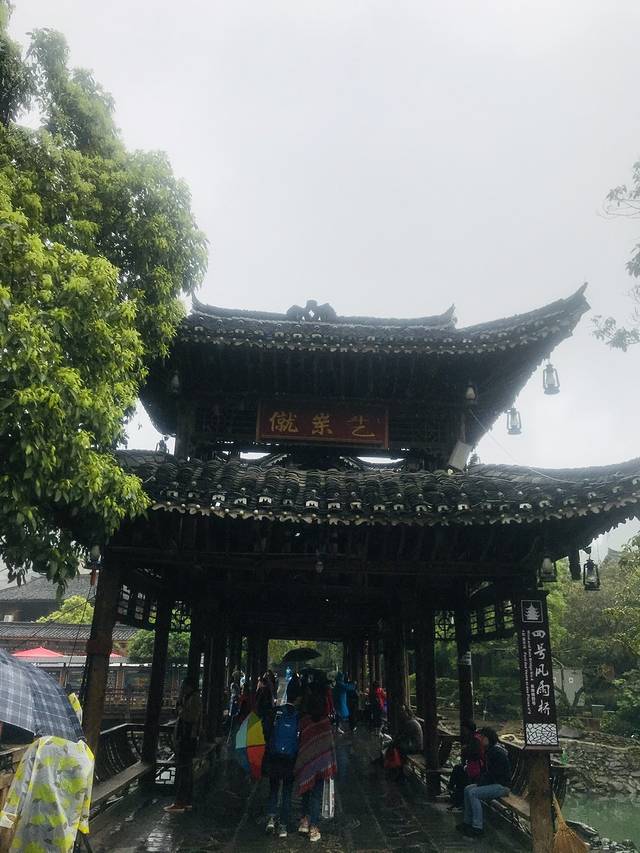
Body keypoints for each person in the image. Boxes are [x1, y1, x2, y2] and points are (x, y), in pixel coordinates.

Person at [295, 681, 338, 844]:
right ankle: (313, 827)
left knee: (306, 792)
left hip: (306, 762)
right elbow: (329, 745)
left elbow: (301, 741)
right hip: (321, 765)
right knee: (316, 795)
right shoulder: (325, 723)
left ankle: (304, 821)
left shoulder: (304, 721)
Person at [457, 727, 511, 838]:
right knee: (468, 789)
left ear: (488, 738)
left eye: (482, 737)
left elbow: (494, 774)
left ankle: (477, 827)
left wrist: (481, 783)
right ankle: (467, 822)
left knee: (473, 793)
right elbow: (486, 772)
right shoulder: (489, 750)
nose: (480, 740)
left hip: (501, 786)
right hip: (493, 784)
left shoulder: (496, 752)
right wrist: (480, 782)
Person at [263, 697, 300, 838]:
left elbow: (266, 732)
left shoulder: (275, 713)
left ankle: (271, 819)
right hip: (290, 759)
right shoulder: (298, 715)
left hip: (274, 757)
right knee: (287, 792)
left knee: (273, 789)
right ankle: (283, 826)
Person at [165, 677, 202, 814]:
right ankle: (186, 801)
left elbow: (190, 717)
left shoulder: (193, 699)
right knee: (186, 770)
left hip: (187, 738)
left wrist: (180, 708)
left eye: (183, 686)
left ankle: (180, 802)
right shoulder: (193, 697)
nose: (181, 689)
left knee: (183, 770)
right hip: (188, 738)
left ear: (188, 686)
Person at [448, 719, 485, 808]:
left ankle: (457, 799)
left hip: (478, 770)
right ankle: (454, 796)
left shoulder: (475, 740)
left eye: (464, 730)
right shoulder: (474, 738)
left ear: (468, 730)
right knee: (458, 769)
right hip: (473, 768)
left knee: (460, 774)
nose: (463, 732)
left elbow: (474, 755)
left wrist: (466, 749)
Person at [386, 705, 423, 780]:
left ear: (408, 713)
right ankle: (397, 769)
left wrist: (393, 743)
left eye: (404, 712)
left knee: (397, 747)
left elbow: (403, 736)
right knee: (395, 745)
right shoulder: (410, 721)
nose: (402, 714)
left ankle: (400, 770)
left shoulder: (411, 723)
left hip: (415, 746)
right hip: (412, 744)